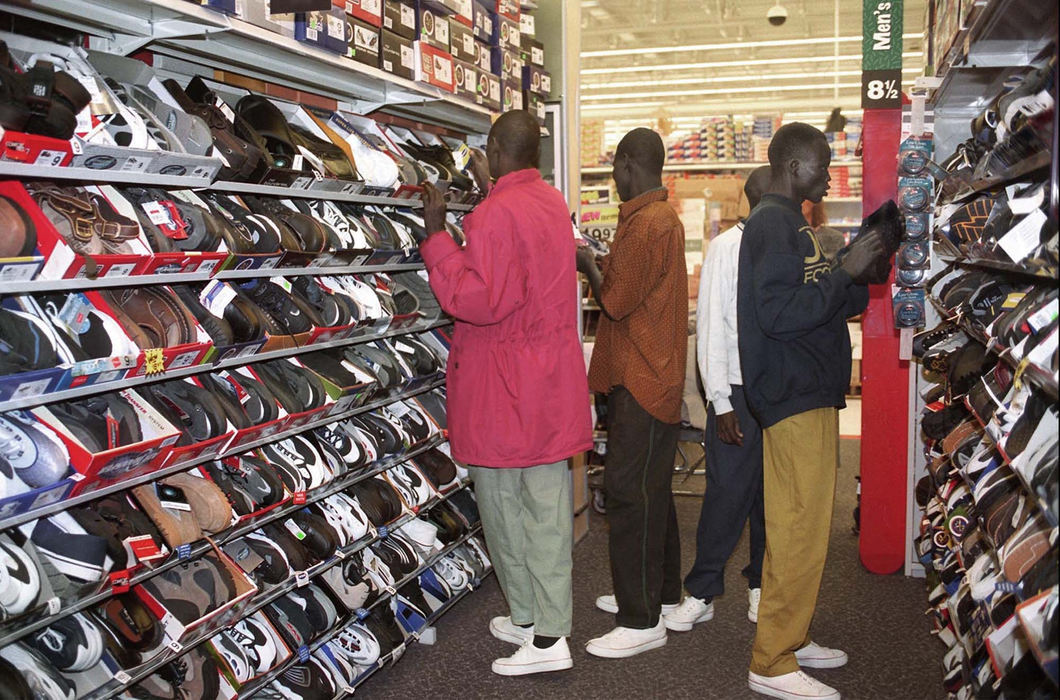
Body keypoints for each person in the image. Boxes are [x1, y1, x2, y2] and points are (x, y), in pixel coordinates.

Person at [419, 110, 592, 677]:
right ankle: (530, 616)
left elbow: (477, 300)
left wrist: (437, 237)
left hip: (503, 388)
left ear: (493, 149)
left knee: (510, 512)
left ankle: (548, 639)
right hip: (547, 383)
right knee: (540, 509)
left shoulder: (493, 216)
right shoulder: (550, 203)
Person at [737, 122, 886, 700]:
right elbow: (777, 312)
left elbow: (812, 299)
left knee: (801, 527)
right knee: (798, 526)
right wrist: (842, 276)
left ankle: (788, 637)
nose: (829, 175)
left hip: (807, 392)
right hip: (792, 393)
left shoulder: (793, 224)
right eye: (823, 166)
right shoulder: (774, 224)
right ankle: (771, 660)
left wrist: (857, 273)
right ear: (796, 165)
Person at [577, 128, 688, 659]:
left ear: (626, 165)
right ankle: (662, 595)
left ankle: (640, 617)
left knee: (628, 493)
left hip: (643, 377)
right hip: (651, 373)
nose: (614, 180)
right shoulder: (653, 220)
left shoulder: (647, 224)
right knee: (653, 490)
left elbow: (616, 302)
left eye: (615, 171)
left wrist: (588, 265)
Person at [665, 166, 771, 633]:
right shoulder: (728, 247)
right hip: (738, 394)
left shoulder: (788, 243)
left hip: (778, 392)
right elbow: (710, 328)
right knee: (727, 494)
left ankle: (760, 585)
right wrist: (721, 401)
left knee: (771, 498)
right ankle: (703, 590)